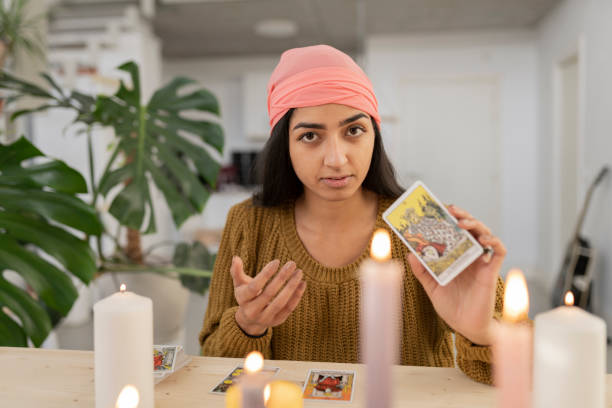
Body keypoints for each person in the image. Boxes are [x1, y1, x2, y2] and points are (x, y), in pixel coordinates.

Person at [199, 44, 505, 385]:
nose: (336, 158)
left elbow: (511, 372)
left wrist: (480, 330)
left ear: (374, 134)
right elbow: (212, 367)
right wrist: (246, 325)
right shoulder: (249, 223)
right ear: (284, 144)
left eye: (354, 130)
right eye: (310, 136)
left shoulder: (422, 222)